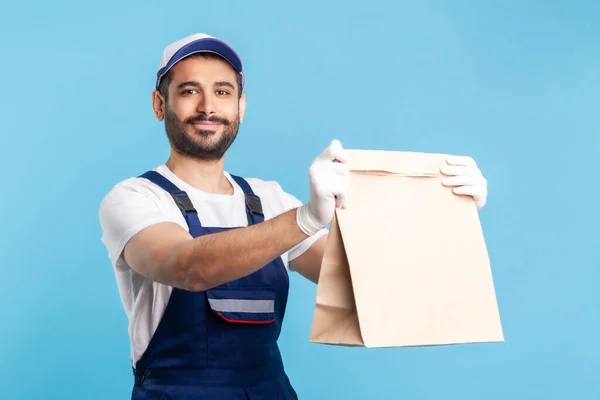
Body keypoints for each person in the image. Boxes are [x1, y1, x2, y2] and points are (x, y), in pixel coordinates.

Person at [98, 32, 489, 399]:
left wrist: (446, 212)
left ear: (241, 107)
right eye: (189, 91)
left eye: (222, 91)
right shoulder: (135, 198)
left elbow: (367, 283)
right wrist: (303, 219)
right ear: (159, 104)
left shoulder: (269, 199)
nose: (208, 107)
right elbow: (188, 267)